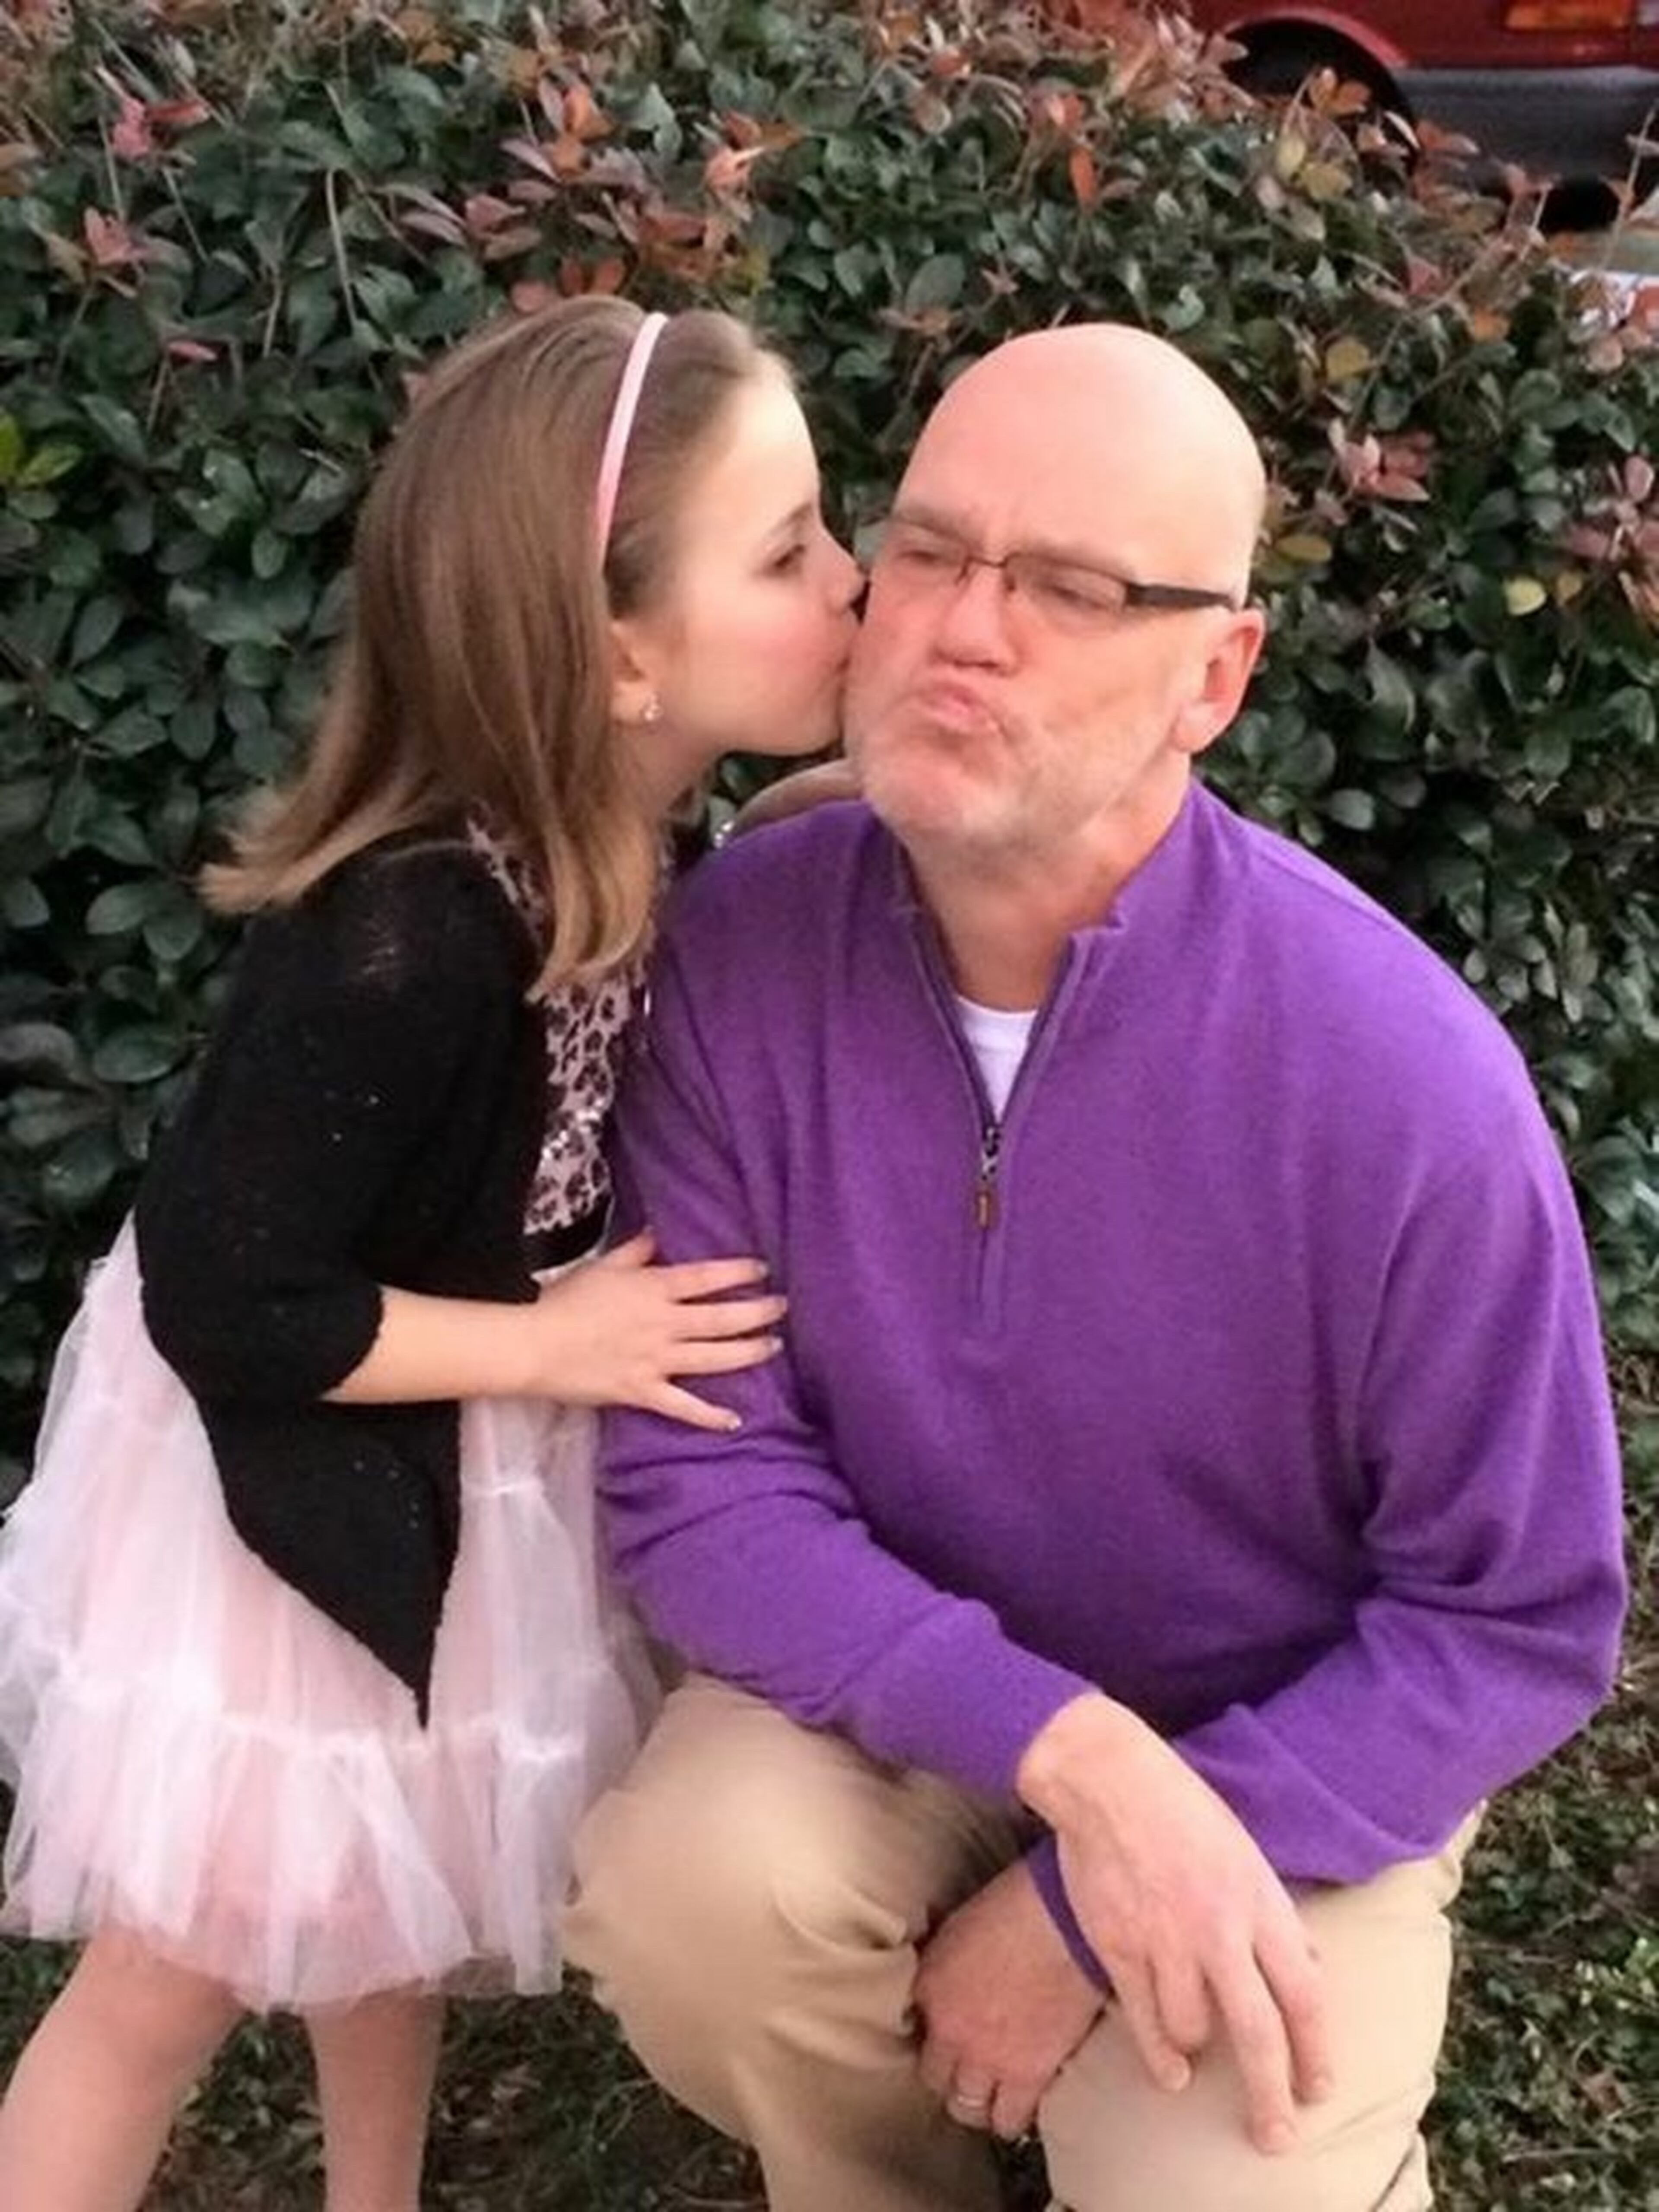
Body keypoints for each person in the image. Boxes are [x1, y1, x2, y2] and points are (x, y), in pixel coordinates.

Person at [563, 322, 1627, 2212]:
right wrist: (1066, 1761)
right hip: (883, 1703)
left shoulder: (1403, 1082)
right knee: (695, 1898)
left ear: (1215, 672)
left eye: (1069, 588)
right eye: (939, 552)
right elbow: (701, 1471)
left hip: (1272, 1745)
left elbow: (1511, 1613)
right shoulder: (739, 956)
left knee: (1216, 2178)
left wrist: (1110, 1866)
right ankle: (898, 2175)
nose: (969, 628)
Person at [0, 294, 861, 2212]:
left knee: (389, 1884)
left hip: (458, 1424)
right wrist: (555, 1349)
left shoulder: (635, 832)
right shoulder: (404, 930)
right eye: (793, 549)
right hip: (288, 1471)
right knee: (185, 1954)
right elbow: (229, 1297)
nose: (857, 585)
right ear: (620, 649)